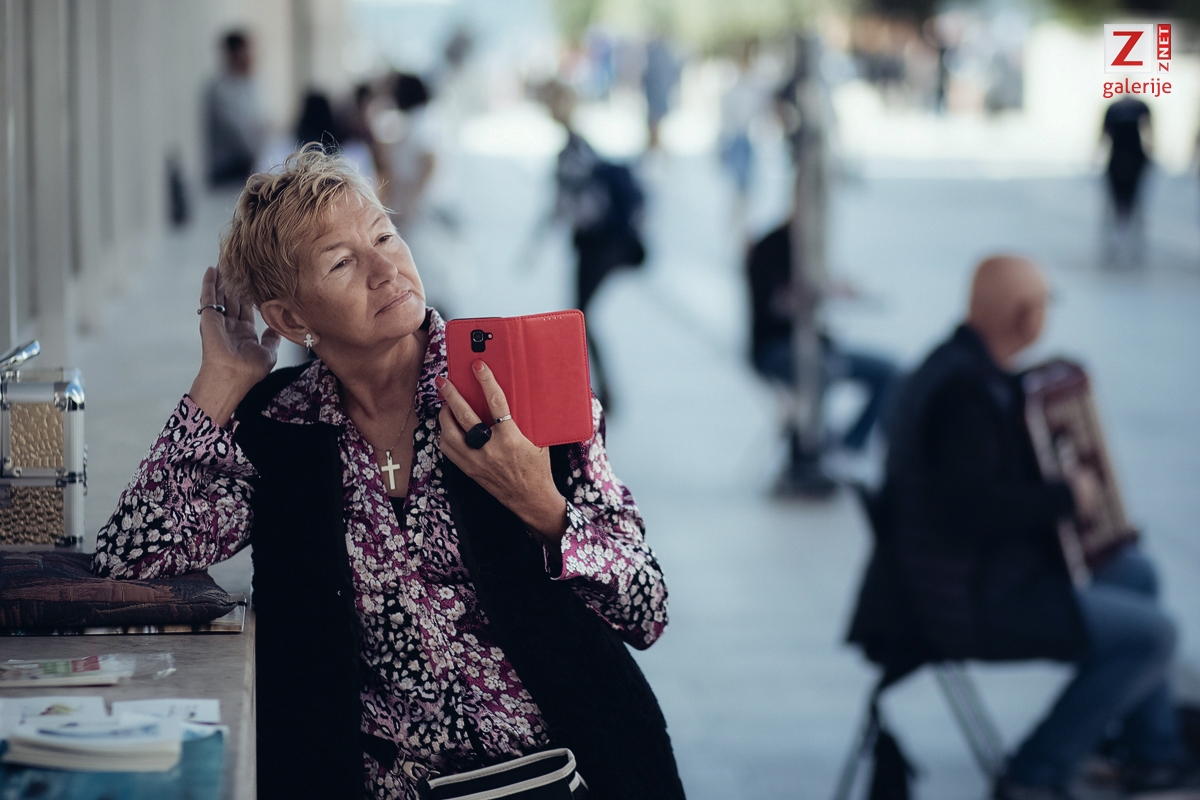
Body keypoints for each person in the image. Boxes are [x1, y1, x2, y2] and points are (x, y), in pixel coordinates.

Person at [91, 147, 684, 800]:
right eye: (341, 262)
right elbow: (129, 555)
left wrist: (541, 504)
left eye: (384, 236)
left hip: (566, 776)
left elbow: (646, 607)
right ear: (290, 318)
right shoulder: (279, 429)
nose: (386, 270)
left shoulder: (517, 384)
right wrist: (221, 381)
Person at [876, 255, 1194, 799]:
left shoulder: (954, 366)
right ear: (1025, 317)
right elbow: (970, 511)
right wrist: (1066, 497)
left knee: (1134, 572)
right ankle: (1033, 774)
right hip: (971, 600)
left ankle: (1154, 751)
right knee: (1153, 636)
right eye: (1045, 305)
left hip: (959, 580)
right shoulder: (967, 393)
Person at [746, 224, 898, 484]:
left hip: (817, 345)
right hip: (776, 349)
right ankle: (814, 447)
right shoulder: (773, 247)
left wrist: (828, 291)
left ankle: (849, 447)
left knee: (890, 372)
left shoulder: (810, 246)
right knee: (822, 371)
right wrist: (817, 294)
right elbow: (777, 304)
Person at [537, 80, 645, 410]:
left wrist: (537, 241)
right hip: (599, 243)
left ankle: (595, 390)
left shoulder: (571, 151)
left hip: (598, 244)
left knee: (579, 318)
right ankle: (596, 389)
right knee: (580, 317)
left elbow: (567, 205)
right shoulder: (581, 145)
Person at [204, 31, 264, 188]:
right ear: (233, 54)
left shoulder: (247, 86)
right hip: (230, 173)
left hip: (245, 169)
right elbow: (240, 134)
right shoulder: (221, 90)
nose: (250, 57)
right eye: (245, 52)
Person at [1101, 97, 1152, 263]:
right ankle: (1118, 242)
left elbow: (1149, 132)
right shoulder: (1115, 108)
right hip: (1121, 159)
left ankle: (1130, 243)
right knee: (1119, 203)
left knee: (1131, 203)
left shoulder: (1140, 106)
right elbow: (1104, 134)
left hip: (1131, 160)